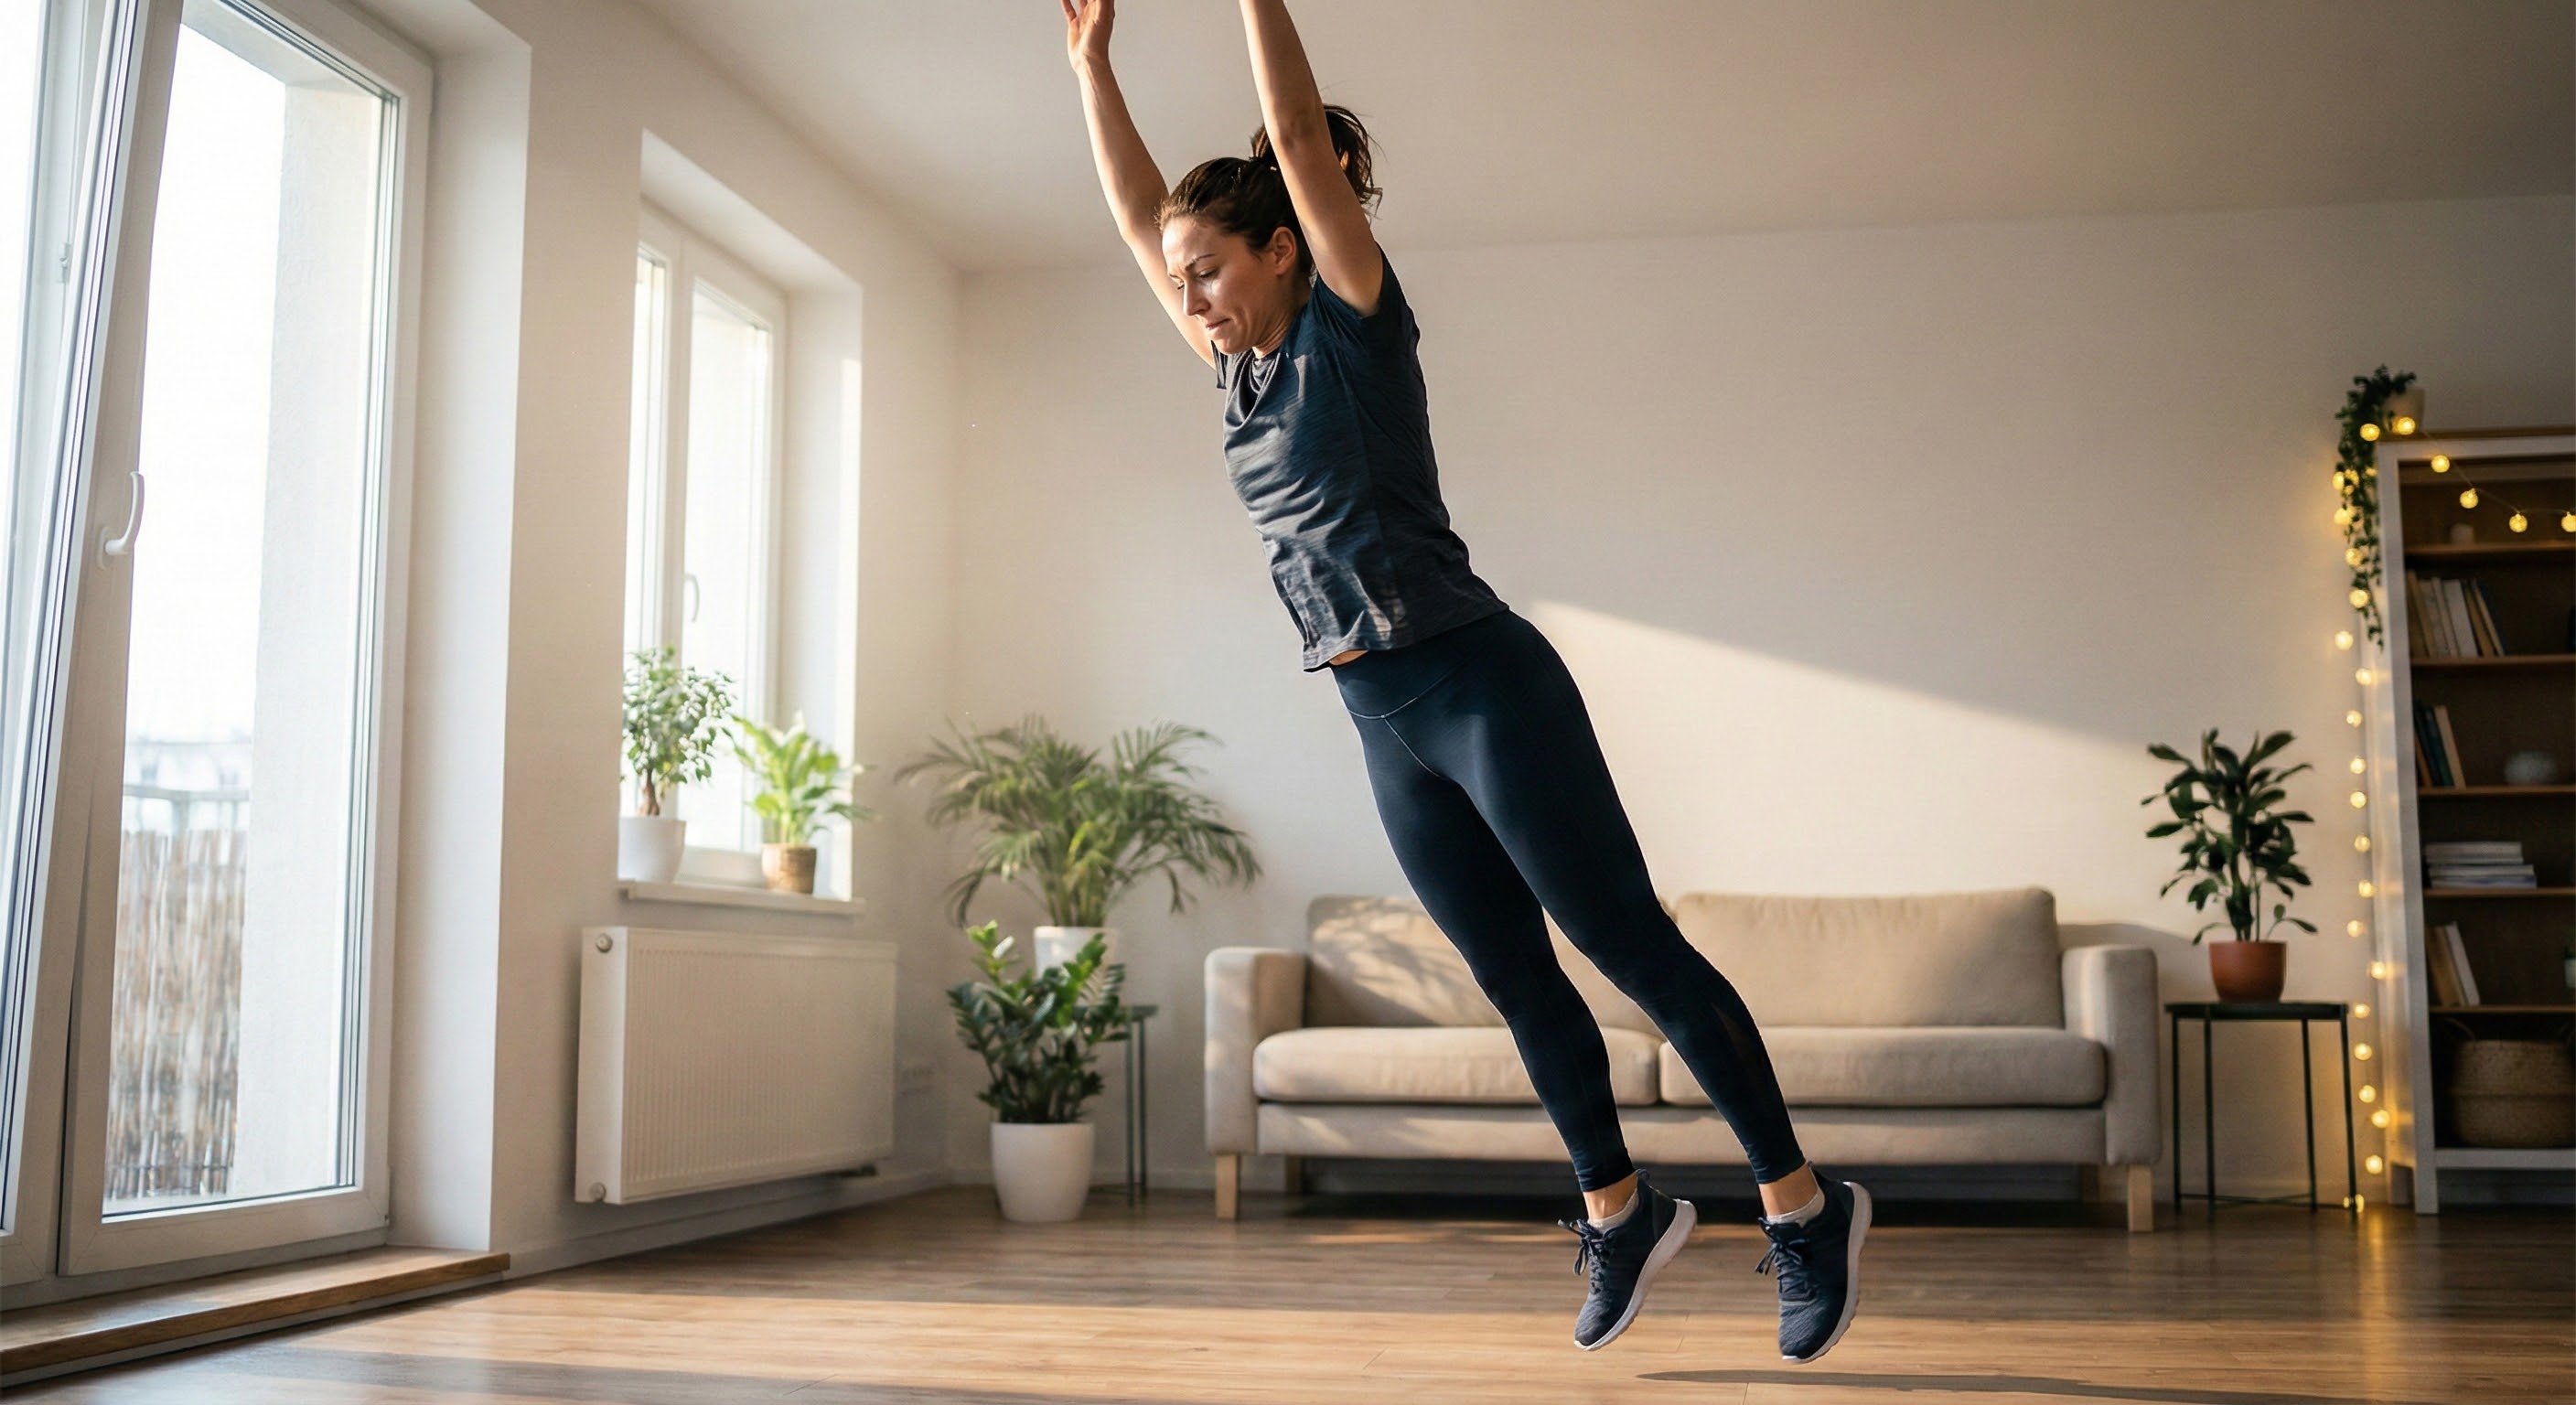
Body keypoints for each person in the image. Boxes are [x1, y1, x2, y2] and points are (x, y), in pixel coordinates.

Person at [1060, 0, 1870, 1362]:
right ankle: (1620, 1210)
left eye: (1209, 270)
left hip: (1484, 687)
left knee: (1630, 948)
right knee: (1514, 978)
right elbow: (1143, 220)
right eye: (1181, 279)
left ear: (1281, 250)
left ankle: (1802, 1205)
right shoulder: (1236, 372)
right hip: (1379, 716)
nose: (1186, 294)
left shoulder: (1352, 326)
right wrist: (1092, 65)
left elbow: (1299, 139)